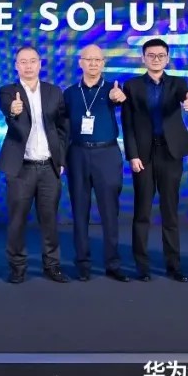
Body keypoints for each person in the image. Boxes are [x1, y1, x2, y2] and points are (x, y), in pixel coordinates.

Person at [120, 38, 188, 282]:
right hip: (143, 156)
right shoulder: (131, 86)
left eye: (161, 55)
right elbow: (128, 124)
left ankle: (173, 266)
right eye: (151, 55)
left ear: (167, 58)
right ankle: (142, 267)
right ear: (143, 58)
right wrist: (132, 155)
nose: (156, 59)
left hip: (170, 153)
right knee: (142, 212)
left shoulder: (177, 83)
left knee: (170, 212)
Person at [0, 46, 69, 283]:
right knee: (17, 221)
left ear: (40, 64)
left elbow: (63, 127)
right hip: (21, 167)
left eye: (32, 61)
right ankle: (17, 267)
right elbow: (8, 109)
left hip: (49, 166)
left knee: (50, 220)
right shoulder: (8, 91)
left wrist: (61, 159)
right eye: (23, 62)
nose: (28, 66)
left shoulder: (53, 91)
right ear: (16, 66)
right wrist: (13, 110)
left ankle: (52, 265)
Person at [64, 44, 130, 282]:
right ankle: (82, 263)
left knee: (109, 211)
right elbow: (62, 128)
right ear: (80, 63)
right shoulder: (70, 93)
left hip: (107, 153)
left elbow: (122, 101)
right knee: (79, 211)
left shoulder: (113, 89)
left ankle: (113, 263)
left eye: (97, 60)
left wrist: (120, 98)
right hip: (78, 154)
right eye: (88, 59)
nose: (93, 64)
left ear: (103, 63)